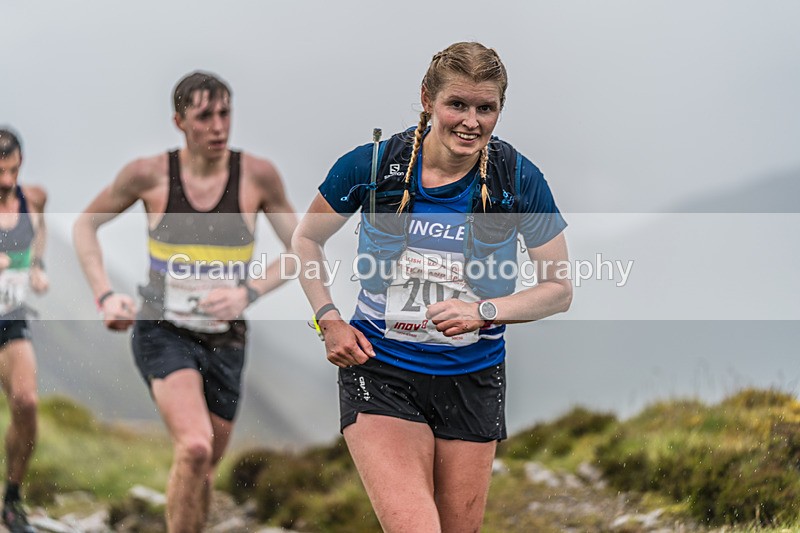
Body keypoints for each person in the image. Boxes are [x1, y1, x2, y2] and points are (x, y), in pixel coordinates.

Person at [292, 42, 573, 532]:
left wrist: (484, 311)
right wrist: (329, 319)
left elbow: (559, 290)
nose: (471, 121)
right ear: (427, 99)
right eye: (457, 104)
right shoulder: (373, 165)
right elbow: (307, 239)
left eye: (486, 108)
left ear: (499, 110)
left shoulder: (519, 178)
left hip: (473, 378)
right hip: (380, 371)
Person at [73, 72, 297, 533]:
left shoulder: (257, 176)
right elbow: (84, 226)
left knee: (205, 467)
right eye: (204, 116)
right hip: (162, 328)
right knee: (193, 447)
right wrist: (105, 295)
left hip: (227, 338)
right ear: (179, 121)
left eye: (225, 113)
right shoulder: (148, 174)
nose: (218, 127)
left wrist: (247, 292)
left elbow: (301, 250)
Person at [0, 128, 48, 533]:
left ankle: (12, 501)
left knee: (27, 402)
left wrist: (37, 265)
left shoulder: (33, 198)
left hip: (11, 317)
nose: (6, 181)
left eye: (12, 170)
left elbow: (40, 230)